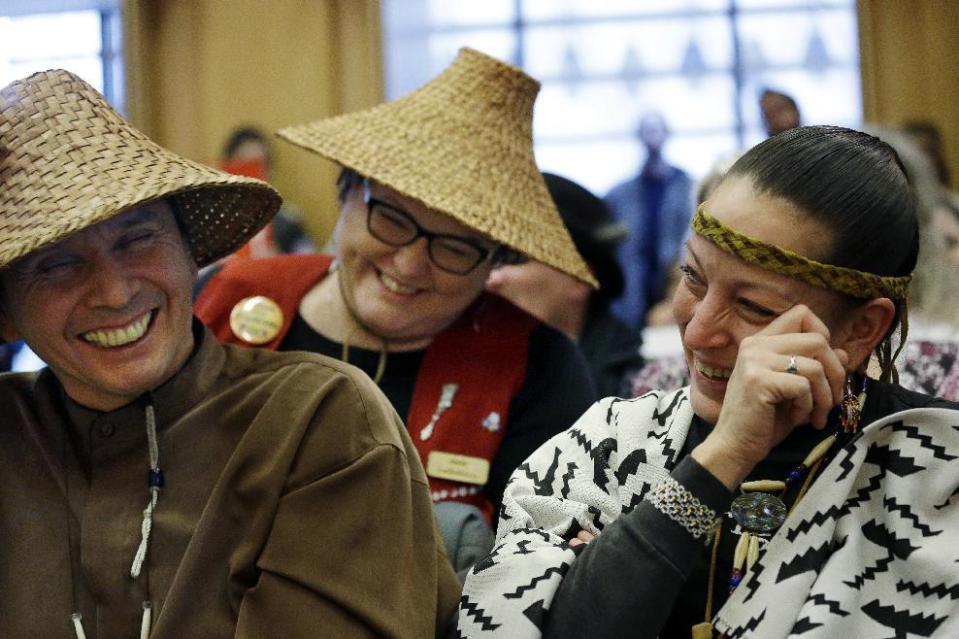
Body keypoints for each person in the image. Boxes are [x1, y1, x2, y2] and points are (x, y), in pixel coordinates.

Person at [0, 69, 459, 637]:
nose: (115, 292)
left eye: (137, 238)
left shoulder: (318, 419)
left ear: (190, 253)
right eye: (56, 263)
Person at [458, 126, 959, 638]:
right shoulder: (605, 445)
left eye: (753, 306)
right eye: (692, 276)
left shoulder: (937, 474)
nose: (698, 331)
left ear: (862, 329)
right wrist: (721, 457)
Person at [195, 47, 598, 524]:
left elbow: (541, 560)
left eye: (453, 246)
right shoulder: (228, 295)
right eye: (390, 217)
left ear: (494, 261)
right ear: (346, 192)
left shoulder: (538, 366)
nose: (409, 264)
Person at [486, 173, 642, 397]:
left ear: (580, 277)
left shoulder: (635, 394)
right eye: (489, 257)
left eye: (514, 258)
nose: (492, 279)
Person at [605, 112, 693, 330]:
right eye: (647, 130)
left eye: (657, 129)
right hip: (634, 287)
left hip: (675, 279)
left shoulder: (686, 186)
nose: (652, 136)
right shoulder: (621, 193)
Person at [220, 125, 315, 256]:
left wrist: (278, 261)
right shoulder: (213, 224)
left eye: (260, 166)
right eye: (246, 166)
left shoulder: (289, 223)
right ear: (228, 171)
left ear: (271, 171)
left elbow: (309, 265)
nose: (253, 177)